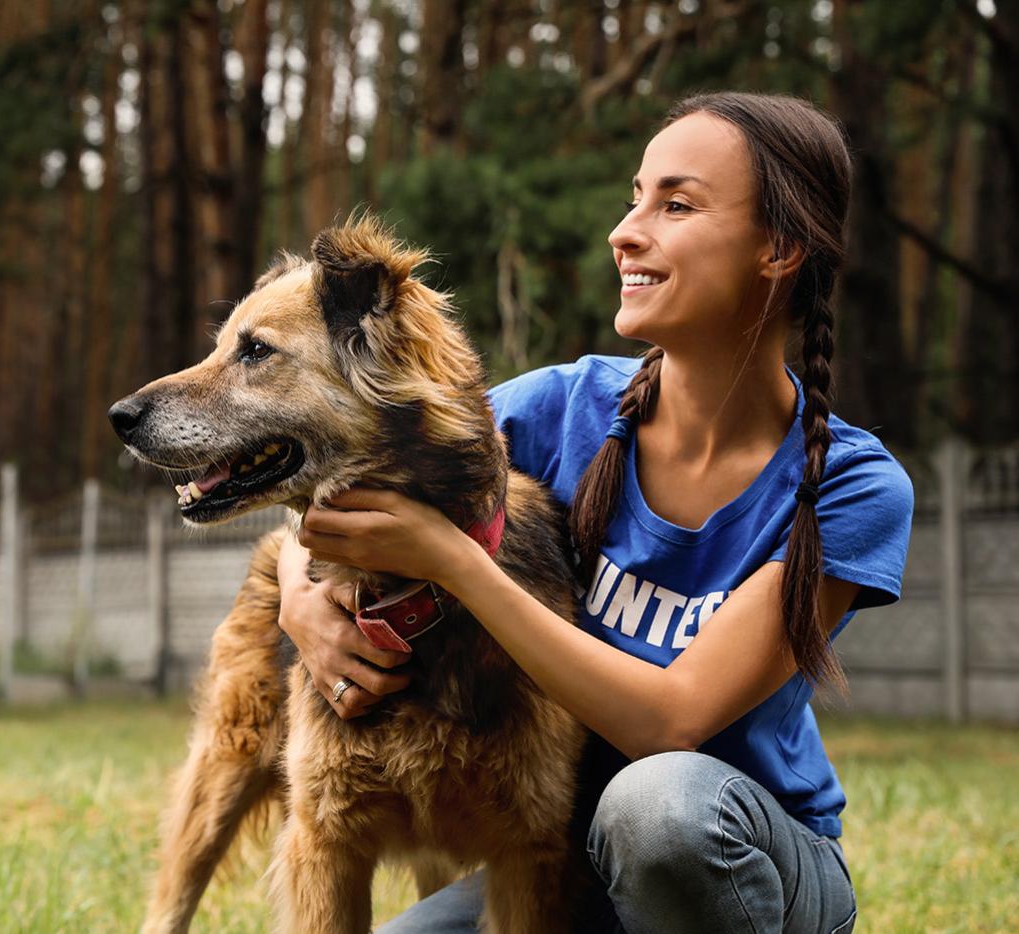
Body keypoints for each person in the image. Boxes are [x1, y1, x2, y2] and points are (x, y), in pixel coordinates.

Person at [274, 91, 914, 933]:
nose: (627, 230)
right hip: (569, 865)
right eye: (633, 197)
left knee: (658, 809)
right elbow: (367, 473)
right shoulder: (557, 409)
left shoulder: (850, 487)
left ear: (780, 248)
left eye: (675, 204)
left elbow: (672, 721)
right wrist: (300, 598)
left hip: (742, 862)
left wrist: (454, 561)